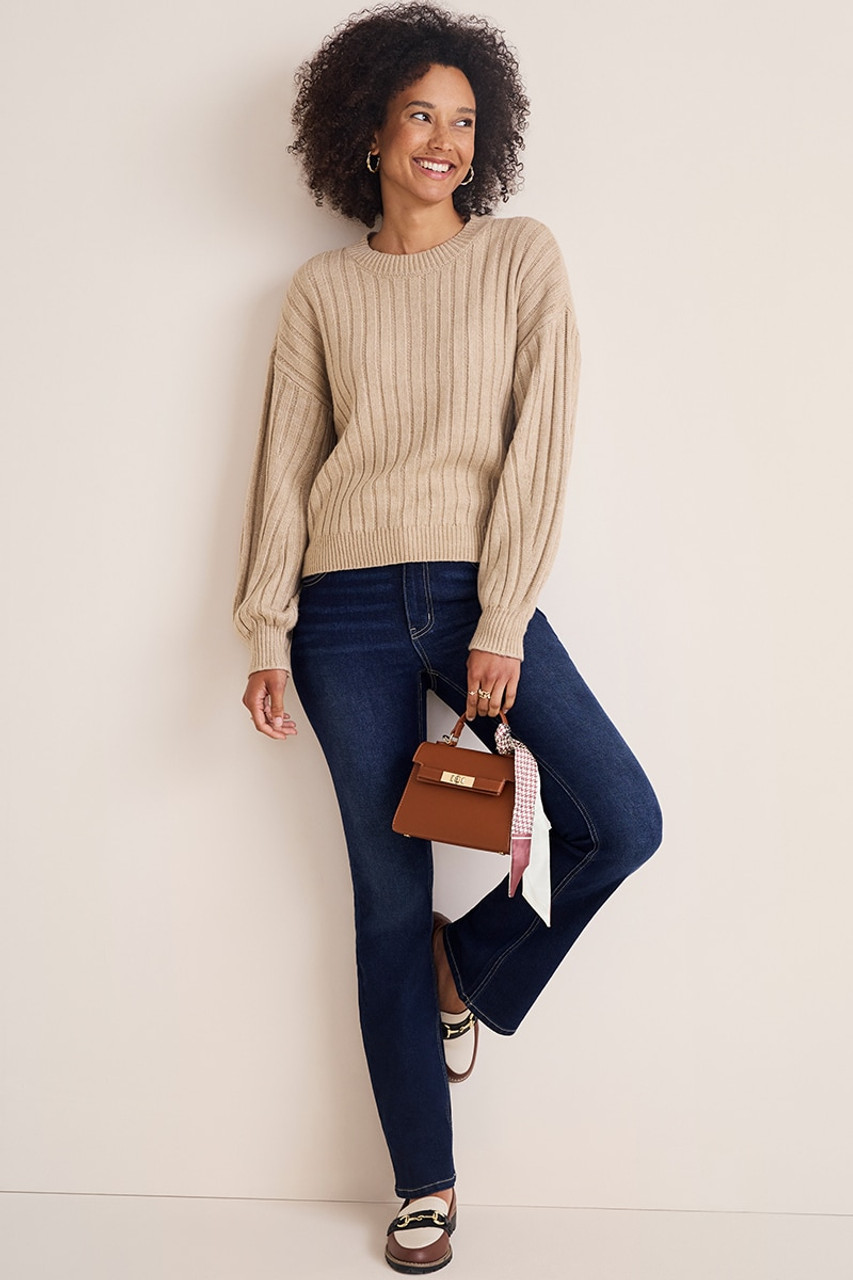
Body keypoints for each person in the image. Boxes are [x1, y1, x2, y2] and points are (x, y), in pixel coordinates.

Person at [233, 4, 662, 1272]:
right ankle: (425, 1182)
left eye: (464, 120)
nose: (443, 139)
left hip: (477, 593)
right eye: (419, 113)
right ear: (366, 131)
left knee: (621, 820)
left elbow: (540, 443)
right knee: (383, 900)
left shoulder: (520, 256)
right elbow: (284, 468)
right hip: (343, 612)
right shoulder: (320, 289)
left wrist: (503, 616)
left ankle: (464, 966)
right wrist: (264, 628)